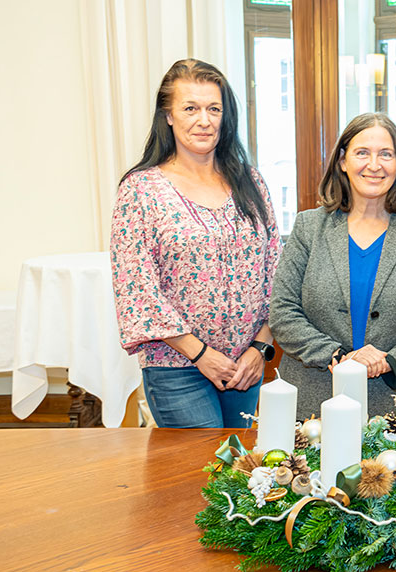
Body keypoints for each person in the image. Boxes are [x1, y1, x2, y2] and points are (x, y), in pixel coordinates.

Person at [111, 59, 280, 428]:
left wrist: (261, 347)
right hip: (177, 369)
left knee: (244, 474)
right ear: (168, 115)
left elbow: (276, 273)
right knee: (200, 479)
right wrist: (201, 354)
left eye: (214, 108)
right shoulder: (141, 190)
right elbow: (137, 290)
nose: (204, 120)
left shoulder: (250, 181)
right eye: (190, 108)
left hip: (244, 367)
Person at [270, 113, 396, 419]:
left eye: (386, 154)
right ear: (343, 161)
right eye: (362, 153)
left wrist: (389, 361)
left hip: (393, 405)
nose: (374, 165)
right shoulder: (308, 227)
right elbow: (283, 311)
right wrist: (338, 356)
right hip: (313, 402)